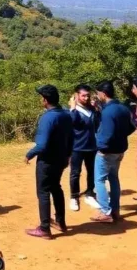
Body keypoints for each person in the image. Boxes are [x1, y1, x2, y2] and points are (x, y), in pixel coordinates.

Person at [25, 85, 73, 239]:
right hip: (61, 159)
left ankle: (44, 228)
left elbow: (42, 145)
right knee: (56, 188)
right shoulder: (66, 114)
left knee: (43, 192)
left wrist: (29, 154)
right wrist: (68, 156)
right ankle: (60, 222)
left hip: (47, 161)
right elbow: (71, 138)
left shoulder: (48, 117)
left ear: (45, 100)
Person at [90, 81, 133, 224]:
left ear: (103, 93)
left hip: (107, 151)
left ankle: (105, 211)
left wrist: (98, 146)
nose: (97, 96)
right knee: (114, 178)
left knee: (100, 180)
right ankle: (115, 209)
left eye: (97, 93)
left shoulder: (108, 112)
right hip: (120, 149)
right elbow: (131, 127)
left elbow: (106, 134)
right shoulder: (123, 108)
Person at [68, 84, 100, 212]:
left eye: (88, 95)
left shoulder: (92, 109)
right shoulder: (72, 111)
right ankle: (74, 197)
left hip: (92, 146)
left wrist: (98, 110)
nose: (86, 98)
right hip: (77, 147)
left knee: (92, 171)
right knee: (75, 173)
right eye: (83, 95)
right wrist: (72, 108)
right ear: (76, 96)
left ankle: (90, 193)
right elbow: (73, 123)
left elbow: (98, 124)